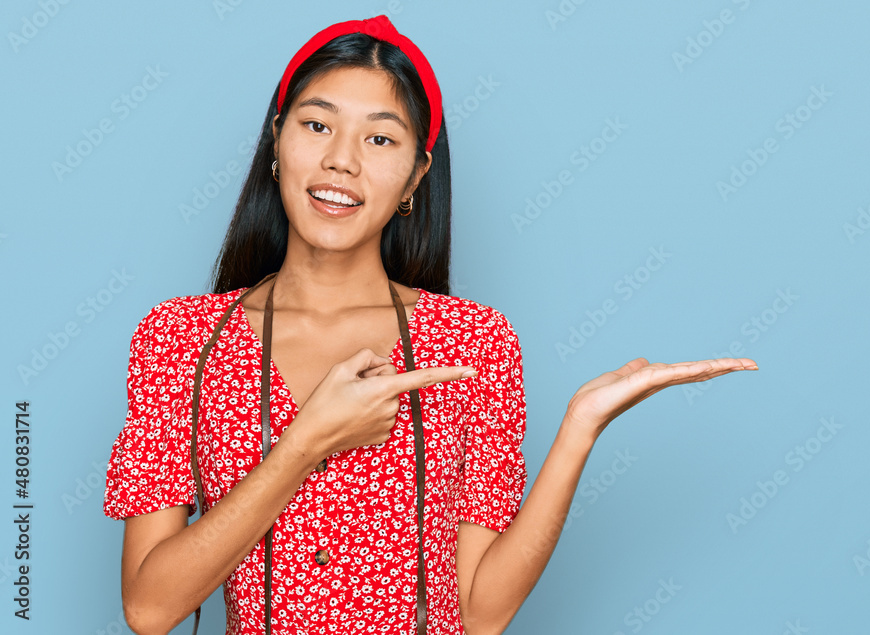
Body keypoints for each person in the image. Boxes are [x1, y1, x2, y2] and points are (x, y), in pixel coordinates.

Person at [102, 15, 758, 635]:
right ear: (277, 142)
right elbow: (150, 606)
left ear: (416, 175)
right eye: (317, 125)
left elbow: (481, 614)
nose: (342, 161)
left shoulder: (474, 341)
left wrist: (580, 427)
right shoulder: (181, 338)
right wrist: (306, 443)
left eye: (380, 138)